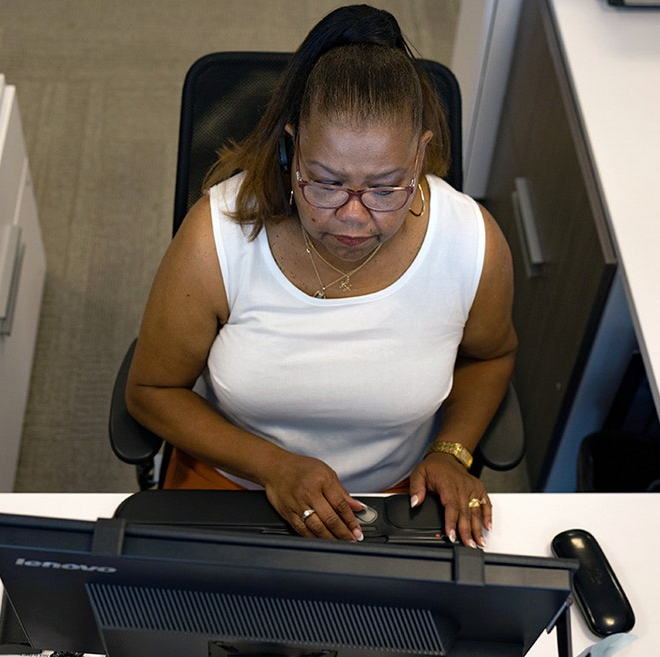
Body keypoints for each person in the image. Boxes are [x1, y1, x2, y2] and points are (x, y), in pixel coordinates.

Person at [126, 4, 515, 549]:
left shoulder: (472, 244)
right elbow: (150, 391)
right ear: (292, 150)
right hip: (234, 484)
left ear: (420, 154)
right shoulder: (216, 237)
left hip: (396, 500)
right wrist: (273, 467)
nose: (354, 216)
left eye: (385, 188)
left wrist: (451, 450)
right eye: (326, 183)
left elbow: (490, 356)